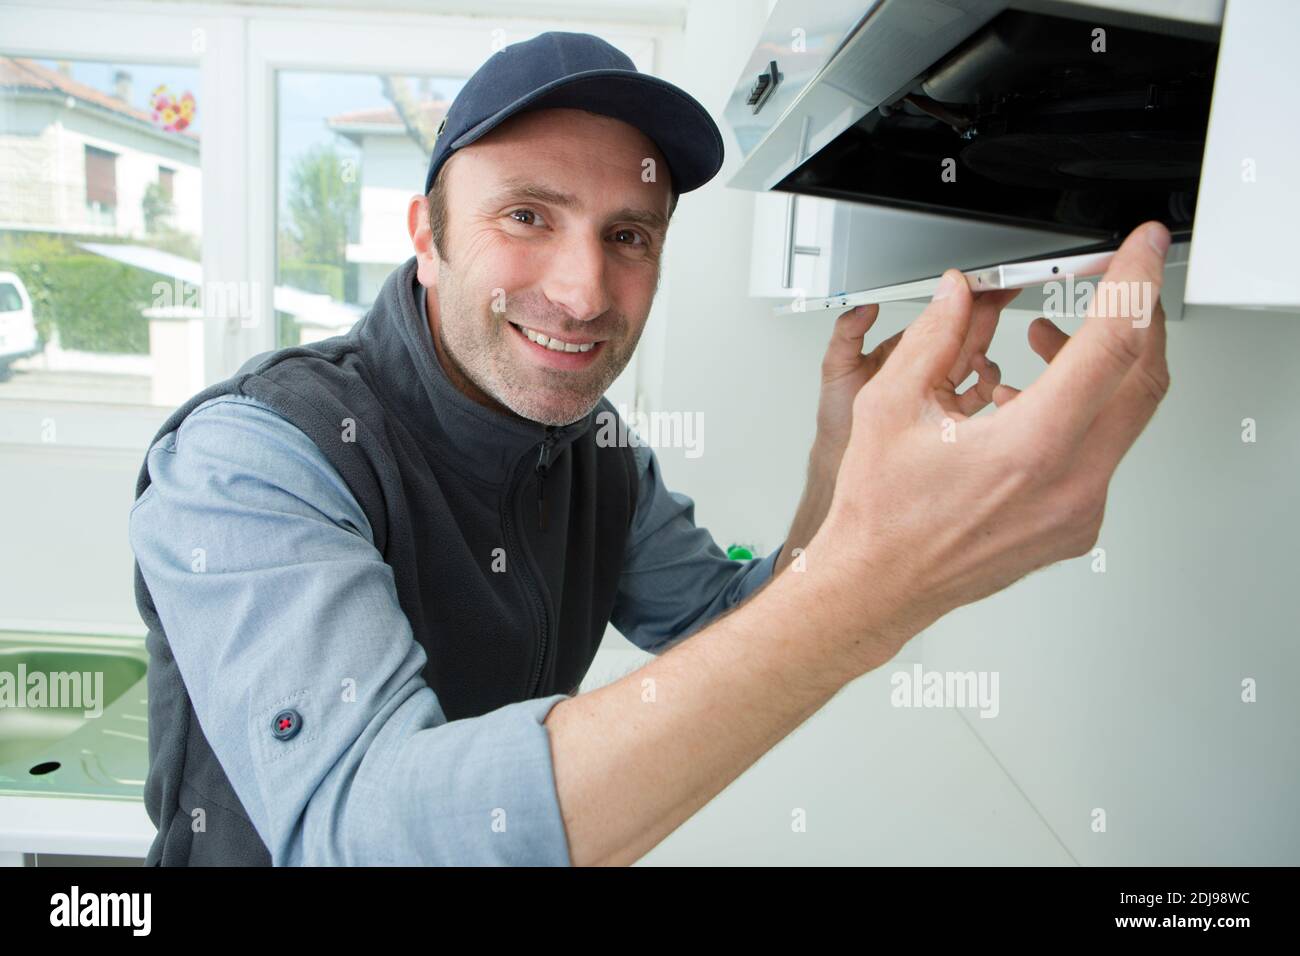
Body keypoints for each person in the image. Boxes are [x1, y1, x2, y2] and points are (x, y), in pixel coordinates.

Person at [129, 31, 1171, 866]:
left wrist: (840, 466)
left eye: (628, 235)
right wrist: (882, 585)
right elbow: (359, 830)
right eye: (526, 215)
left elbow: (725, 621)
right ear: (427, 234)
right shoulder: (254, 456)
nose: (584, 292)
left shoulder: (598, 451)